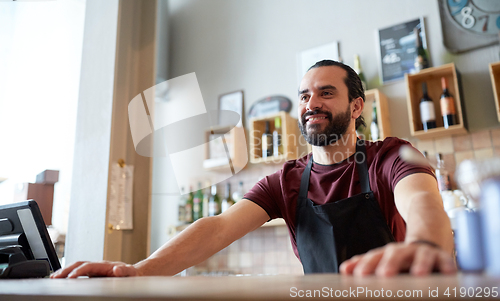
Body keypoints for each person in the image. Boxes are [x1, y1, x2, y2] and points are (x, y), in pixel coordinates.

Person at [52, 60, 456, 279]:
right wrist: (139, 271)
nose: (311, 102)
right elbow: (218, 227)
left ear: (355, 106)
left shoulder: (393, 155)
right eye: (304, 95)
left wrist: (424, 245)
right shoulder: (287, 180)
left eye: (326, 92)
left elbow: (423, 203)